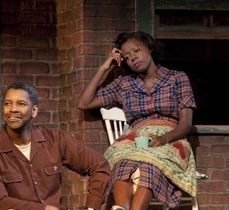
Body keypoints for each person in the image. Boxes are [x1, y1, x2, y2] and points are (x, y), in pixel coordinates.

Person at [77, 31, 197, 210]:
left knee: (149, 165)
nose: (132, 58)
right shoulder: (124, 84)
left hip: (170, 138)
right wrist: (104, 68)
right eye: (127, 56)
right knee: (122, 163)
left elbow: (186, 123)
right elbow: (84, 103)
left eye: (136, 51)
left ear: (149, 48)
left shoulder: (177, 78)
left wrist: (164, 139)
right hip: (135, 139)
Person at [0, 82, 111, 210]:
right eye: (7, 104)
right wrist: (43, 209)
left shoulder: (55, 139)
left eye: (21, 104)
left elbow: (99, 166)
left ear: (34, 111)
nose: (13, 109)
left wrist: (92, 207)